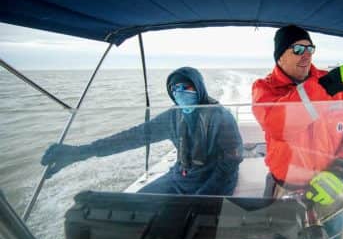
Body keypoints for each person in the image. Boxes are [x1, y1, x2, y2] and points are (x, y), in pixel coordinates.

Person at [252, 25, 343, 239]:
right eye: (298, 49)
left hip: (331, 189)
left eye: (310, 48)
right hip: (285, 192)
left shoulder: (336, 84)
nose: (307, 54)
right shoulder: (264, 89)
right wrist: (331, 84)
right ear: (280, 57)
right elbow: (277, 125)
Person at [40, 67, 243, 195]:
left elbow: (230, 163)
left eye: (185, 87)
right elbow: (134, 137)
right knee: (139, 203)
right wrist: (81, 152)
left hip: (212, 181)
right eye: (174, 89)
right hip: (180, 177)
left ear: (199, 88)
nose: (179, 92)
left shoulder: (221, 117)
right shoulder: (173, 116)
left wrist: (200, 196)